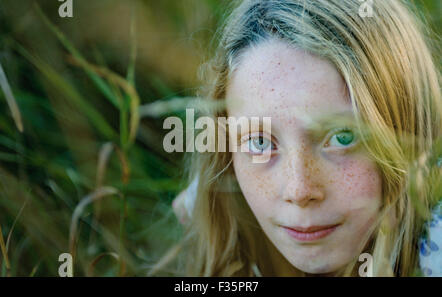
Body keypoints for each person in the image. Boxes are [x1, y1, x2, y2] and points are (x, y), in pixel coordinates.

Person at [158, 0, 441, 276]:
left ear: (410, 127)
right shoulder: (224, 208)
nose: (299, 190)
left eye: (343, 137)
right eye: (259, 142)